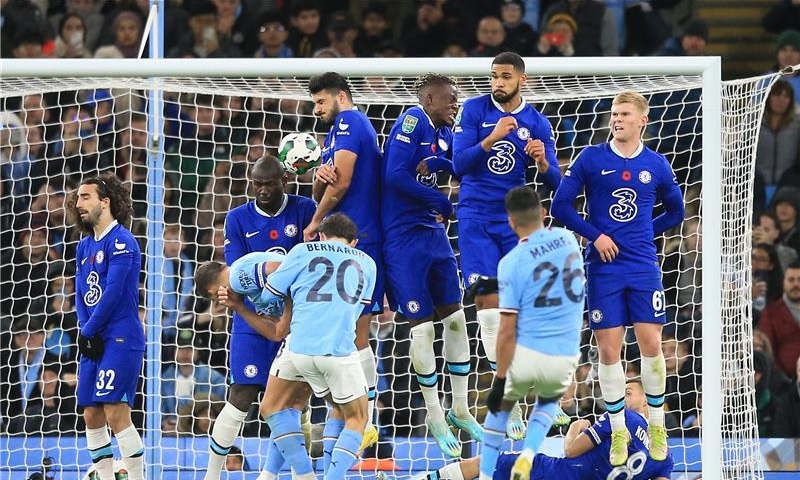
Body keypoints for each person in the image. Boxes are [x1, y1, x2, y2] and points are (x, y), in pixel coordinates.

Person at [551, 91, 685, 466]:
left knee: (651, 343)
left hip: (642, 265)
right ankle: (618, 431)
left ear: (643, 120)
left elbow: (676, 211)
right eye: (614, 113)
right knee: (609, 350)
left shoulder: (656, 164)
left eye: (625, 114)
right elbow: (561, 206)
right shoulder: (591, 158)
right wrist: (596, 236)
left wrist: (643, 233)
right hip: (603, 266)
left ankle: (657, 425)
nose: (617, 119)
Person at [452, 51, 560, 440]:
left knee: (521, 309)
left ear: (522, 80)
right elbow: (458, 165)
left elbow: (558, 184)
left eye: (505, 76)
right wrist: (492, 138)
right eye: (494, 76)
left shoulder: (538, 123)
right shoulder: (473, 110)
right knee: (488, 306)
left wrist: (543, 164)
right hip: (476, 219)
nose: (498, 82)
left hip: (514, 221)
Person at [382, 73, 478, 457]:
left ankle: (460, 408)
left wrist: (443, 164)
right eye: (450, 98)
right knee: (421, 329)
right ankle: (435, 415)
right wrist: (438, 200)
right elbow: (394, 175)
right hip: (403, 237)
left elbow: (457, 166)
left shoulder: (446, 132)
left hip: (433, 234)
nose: (456, 104)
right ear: (430, 99)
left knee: (456, 318)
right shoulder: (412, 120)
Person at [202, 155, 315, 480]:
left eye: (269, 184)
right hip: (252, 318)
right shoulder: (238, 218)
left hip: (295, 320)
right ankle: (211, 475)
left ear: (284, 181)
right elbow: (237, 273)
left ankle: (277, 474)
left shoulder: (304, 209)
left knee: (290, 403)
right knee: (242, 393)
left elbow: (311, 262)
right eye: (257, 184)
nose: (263, 190)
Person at [261, 213, 377, 479]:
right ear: (354, 242)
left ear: (322, 235)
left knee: (273, 407)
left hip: (298, 350)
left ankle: (302, 475)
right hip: (338, 351)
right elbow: (358, 311)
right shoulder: (368, 263)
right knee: (357, 417)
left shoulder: (301, 251)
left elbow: (268, 296)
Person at [479, 186, 584, 480]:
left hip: (530, 346)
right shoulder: (567, 239)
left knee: (499, 411)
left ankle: (486, 476)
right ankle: (528, 453)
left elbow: (506, 330)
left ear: (511, 222)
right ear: (543, 212)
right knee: (548, 401)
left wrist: (500, 379)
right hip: (565, 348)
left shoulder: (510, 263)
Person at [305, 72, 383, 450]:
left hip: (360, 238)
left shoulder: (351, 121)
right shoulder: (335, 132)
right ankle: (355, 416)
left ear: (341, 96)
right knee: (346, 333)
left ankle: (367, 419)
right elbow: (324, 185)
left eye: (321, 102)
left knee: (357, 332)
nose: (316, 109)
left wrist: (315, 222)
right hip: (345, 238)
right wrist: (319, 178)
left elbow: (345, 182)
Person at [421, 380, 674, 480]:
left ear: (647, 401)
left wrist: (575, 427)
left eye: (628, 393)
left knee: (486, 462)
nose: (621, 397)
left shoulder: (622, 418)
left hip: (559, 474)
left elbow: (571, 451)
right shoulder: (665, 458)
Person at [66, 172, 145, 480]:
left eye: (85, 197)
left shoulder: (122, 241)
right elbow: (80, 291)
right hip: (93, 336)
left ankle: (137, 477)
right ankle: (106, 476)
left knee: (115, 410)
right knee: (91, 413)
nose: (78, 203)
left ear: (105, 202)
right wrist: (84, 327)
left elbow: (113, 291)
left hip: (121, 337)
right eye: (78, 198)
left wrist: (88, 330)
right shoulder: (84, 246)